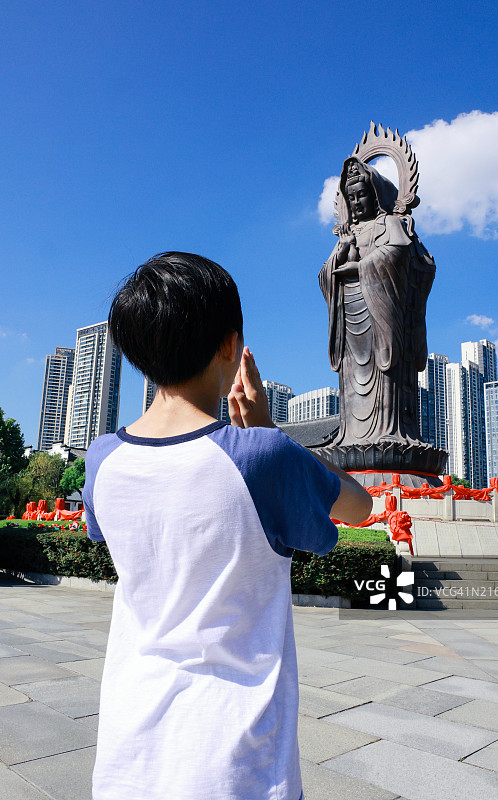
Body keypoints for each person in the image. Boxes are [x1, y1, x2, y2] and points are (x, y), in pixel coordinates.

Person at [83, 252, 372, 800]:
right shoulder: (261, 457)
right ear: (230, 345)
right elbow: (360, 507)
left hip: (128, 748)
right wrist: (271, 431)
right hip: (234, 760)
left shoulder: (102, 460)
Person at [319, 156, 436, 448]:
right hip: (349, 314)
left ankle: (390, 432)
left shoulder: (389, 224)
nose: (356, 202)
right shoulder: (348, 233)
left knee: (385, 370)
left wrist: (360, 268)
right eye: (351, 197)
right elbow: (325, 275)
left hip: (383, 313)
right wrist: (343, 250)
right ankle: (351, 436)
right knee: (351, 376)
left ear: (375, 195)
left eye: (362, 195)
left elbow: (398, 255)